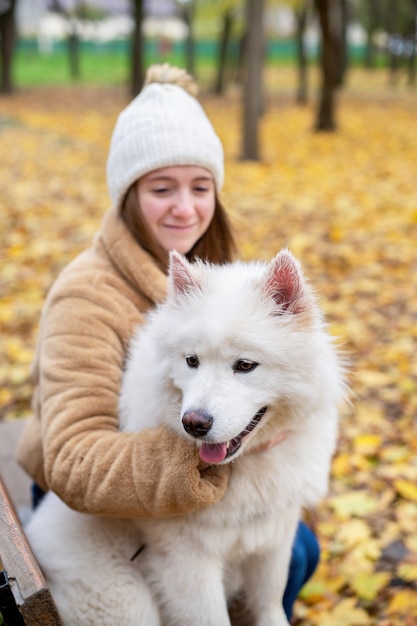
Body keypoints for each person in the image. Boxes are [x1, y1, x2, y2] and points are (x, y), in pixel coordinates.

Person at [16, 63, 318, 622]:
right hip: (93, 501)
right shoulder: (85, 296)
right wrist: (202, 454)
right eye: (162, 188)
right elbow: (74, 460)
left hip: (202, 486)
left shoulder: (221, 279)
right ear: (129, 194)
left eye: (200, 187)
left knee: (295, 548)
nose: (185, 207)